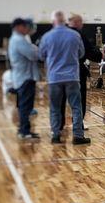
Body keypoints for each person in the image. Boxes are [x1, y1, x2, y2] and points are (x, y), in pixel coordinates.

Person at [39, 11, 90, 145]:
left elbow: (41, 55)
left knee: (55, 107)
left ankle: (56, 135)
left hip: (54, 77)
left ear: (53, 22)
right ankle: (78, 135)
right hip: (72, 76)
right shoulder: (75, 35)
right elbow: (81, 53)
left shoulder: (47, 37)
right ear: (64, 21)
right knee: (76, 107)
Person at [60, 14, 102, 130]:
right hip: (75, 71)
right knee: (78, 99)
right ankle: (78, 125)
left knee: (60, 99)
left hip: (58, 72)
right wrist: (99, 54)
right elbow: (87, 52)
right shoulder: (78, 35)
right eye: (81, 22)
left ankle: (59, 126)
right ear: (77, 22)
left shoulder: (58, 34)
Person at [8, 18, 40, 139]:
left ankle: (24, 130)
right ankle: (24, 131)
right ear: (18, 27)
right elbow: (33, 55)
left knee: (25, 105)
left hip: (24, 76)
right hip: (25, 77)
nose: (27, 28)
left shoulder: (18, 39)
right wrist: (36, 50)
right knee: (25, 106)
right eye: (24, 26)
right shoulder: (18, 40)